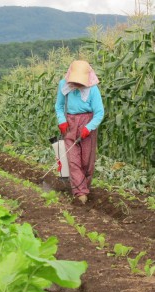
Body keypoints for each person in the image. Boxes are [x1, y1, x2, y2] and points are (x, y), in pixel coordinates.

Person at [55, 60, 104, 204]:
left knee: (87, 162)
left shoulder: (93, 89)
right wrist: (61, 121)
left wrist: (88, 127)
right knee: (73, 159)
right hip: (70, 123)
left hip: (88, 124)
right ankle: (80, 192)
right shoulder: (63, 85)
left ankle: (84, 186)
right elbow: (59, 106)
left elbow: (99, 113)